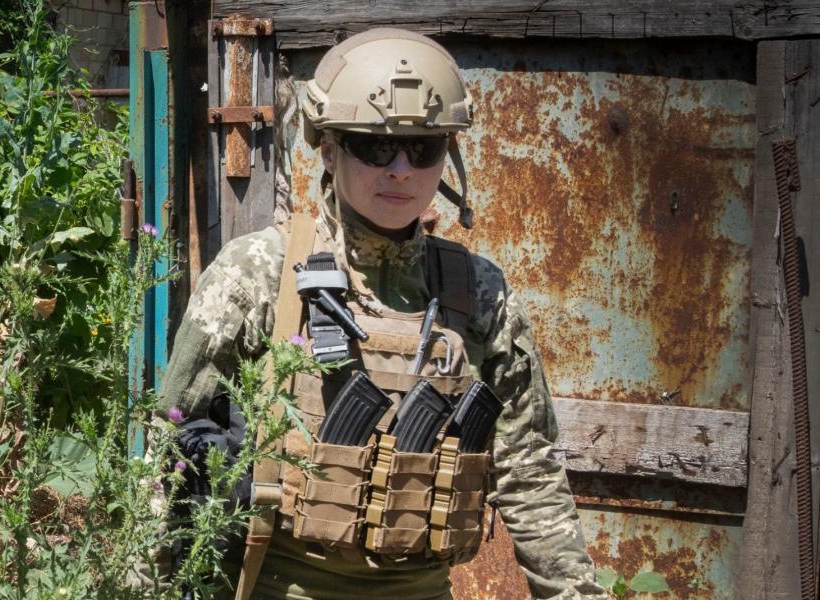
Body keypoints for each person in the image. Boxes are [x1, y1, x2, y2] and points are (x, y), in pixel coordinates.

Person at [161, 27, 606, 600]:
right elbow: (169, 446)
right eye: (375, 145)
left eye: (424, 149)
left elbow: (531, 472)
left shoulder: (480, 293)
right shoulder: (259, 273)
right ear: (327, 146)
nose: (401, 169)